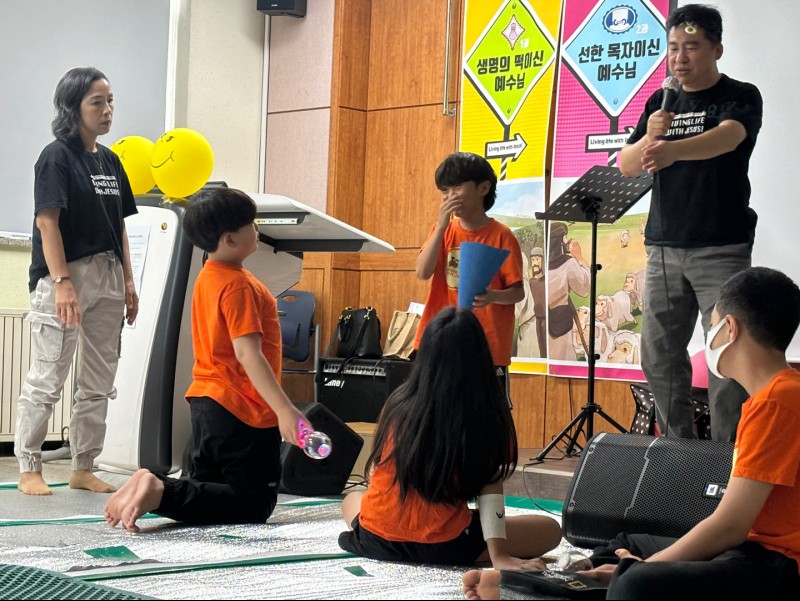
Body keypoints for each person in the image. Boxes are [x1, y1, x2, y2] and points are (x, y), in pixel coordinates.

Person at [463, 266, 800, 599]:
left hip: (778, 565)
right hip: (750, 549)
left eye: (711, 326)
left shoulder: (776, 402)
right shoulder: (773, 396)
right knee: (625, 545)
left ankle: (545, 589)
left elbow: (730, 526)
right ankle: (576, 583)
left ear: (730, 328)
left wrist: (646, 567)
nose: (710, 337)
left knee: (637, 582)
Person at [103, 188, 308, 532]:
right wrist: (285, 410)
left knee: (208, 492)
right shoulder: (239, 286)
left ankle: (154, 484)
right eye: (251, 224)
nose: (257, 229)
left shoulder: (208, 275)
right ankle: (158, 490)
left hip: (207, 403)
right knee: (254, 502)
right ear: (230, 239)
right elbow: (248, 353)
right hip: (243, 411)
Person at [618, 4, 764, 441]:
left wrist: (673, 150)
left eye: (692, 47)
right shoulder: (659, 102)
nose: (680, 58)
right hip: (663, 246)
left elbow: (729, 137)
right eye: (673, 48)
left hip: (720, 246)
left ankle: (727, 456)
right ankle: (678, 450)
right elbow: (628, 164)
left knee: (725, 356)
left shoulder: (740, 94)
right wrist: (650, 136)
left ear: (717, 49)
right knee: (658, 354)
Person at [339, 307, 561, 567]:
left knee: (352, 499)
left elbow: (377, 470)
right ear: (479, 356)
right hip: (444, 545)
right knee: (550, 530)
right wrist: (499, 556)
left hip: (376, 539)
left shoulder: (397, 401)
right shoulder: (483, 411)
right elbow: (490, 486)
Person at [15, 67, 139, 496]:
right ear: (73, 107)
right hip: (66, 274)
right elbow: (47, 223)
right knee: (48, 376)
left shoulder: (110, 160)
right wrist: (62, 282)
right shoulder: (56, 157)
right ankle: (29, 467)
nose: (107, 111)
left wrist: (129, 281)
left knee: (99, 380)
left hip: (109, 274)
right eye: (96, 102)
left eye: (110, 101)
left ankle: (83, 466)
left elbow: (120, 226)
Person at [414, 152, 524, 398]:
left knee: (484, 411)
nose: (449, 197)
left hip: (486, 345)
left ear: (483, 188)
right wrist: (441, 227)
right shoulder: (442, 230)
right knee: (437, 408)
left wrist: (492, 296)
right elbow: (422, 272)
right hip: (442, 339)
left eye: (457, 188)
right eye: (444, 191)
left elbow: (518, 293)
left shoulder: (502, 235)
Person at [547, 222, 590, 361]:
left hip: (543, 321)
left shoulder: (542, 264)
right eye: (565, 237)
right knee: (564, 358)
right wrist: (579, 257)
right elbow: (584, 289)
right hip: (560, 323)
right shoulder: (569, 263)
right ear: (561, 240)